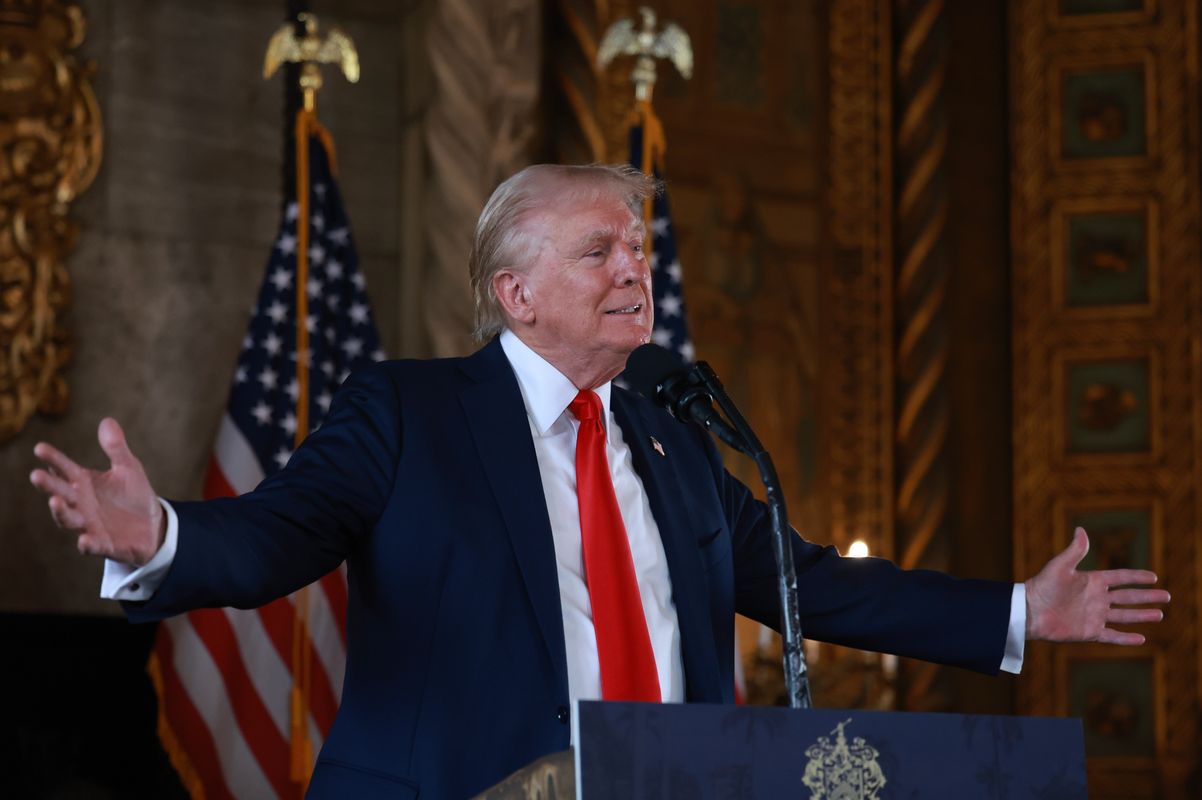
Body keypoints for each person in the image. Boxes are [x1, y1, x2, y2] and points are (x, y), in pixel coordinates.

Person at [31, 164, 1168, 799]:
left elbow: (805, 582)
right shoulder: (411, 411)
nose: (635, 267)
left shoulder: (671, 436)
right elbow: (282, 535)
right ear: (514, 293)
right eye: (600, 252)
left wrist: (1019, 610)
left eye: (638, 248)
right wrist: (161, 535)